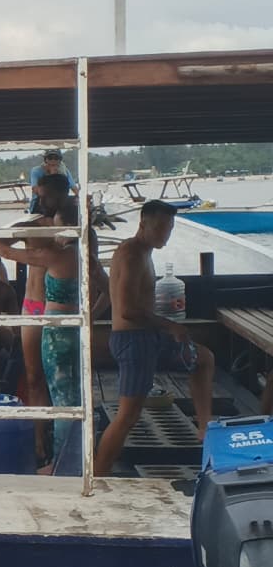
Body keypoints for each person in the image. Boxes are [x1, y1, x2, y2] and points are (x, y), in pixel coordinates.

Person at [94, 199, 216, 476]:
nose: (165, 234)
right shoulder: (131, 254)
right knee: (128, 416)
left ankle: (205, 430)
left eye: (169, 228)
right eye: (159, 227)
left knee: (203, 359)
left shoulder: (145, 251)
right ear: (142, 224)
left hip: (149, 338)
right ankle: (98, 476)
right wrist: (168, 325)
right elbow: (125, 310)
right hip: (133, 342)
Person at [0, 199, 103, 475]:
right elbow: (108, 290)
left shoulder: (59, 255)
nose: (56, 235)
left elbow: (7, 253)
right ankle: (74, 455)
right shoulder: (87, 256)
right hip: (75, 329)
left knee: (63, 400)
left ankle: (62, 464)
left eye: (59, 230)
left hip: (57, 334)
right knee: (75, 394)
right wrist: (90, 318)